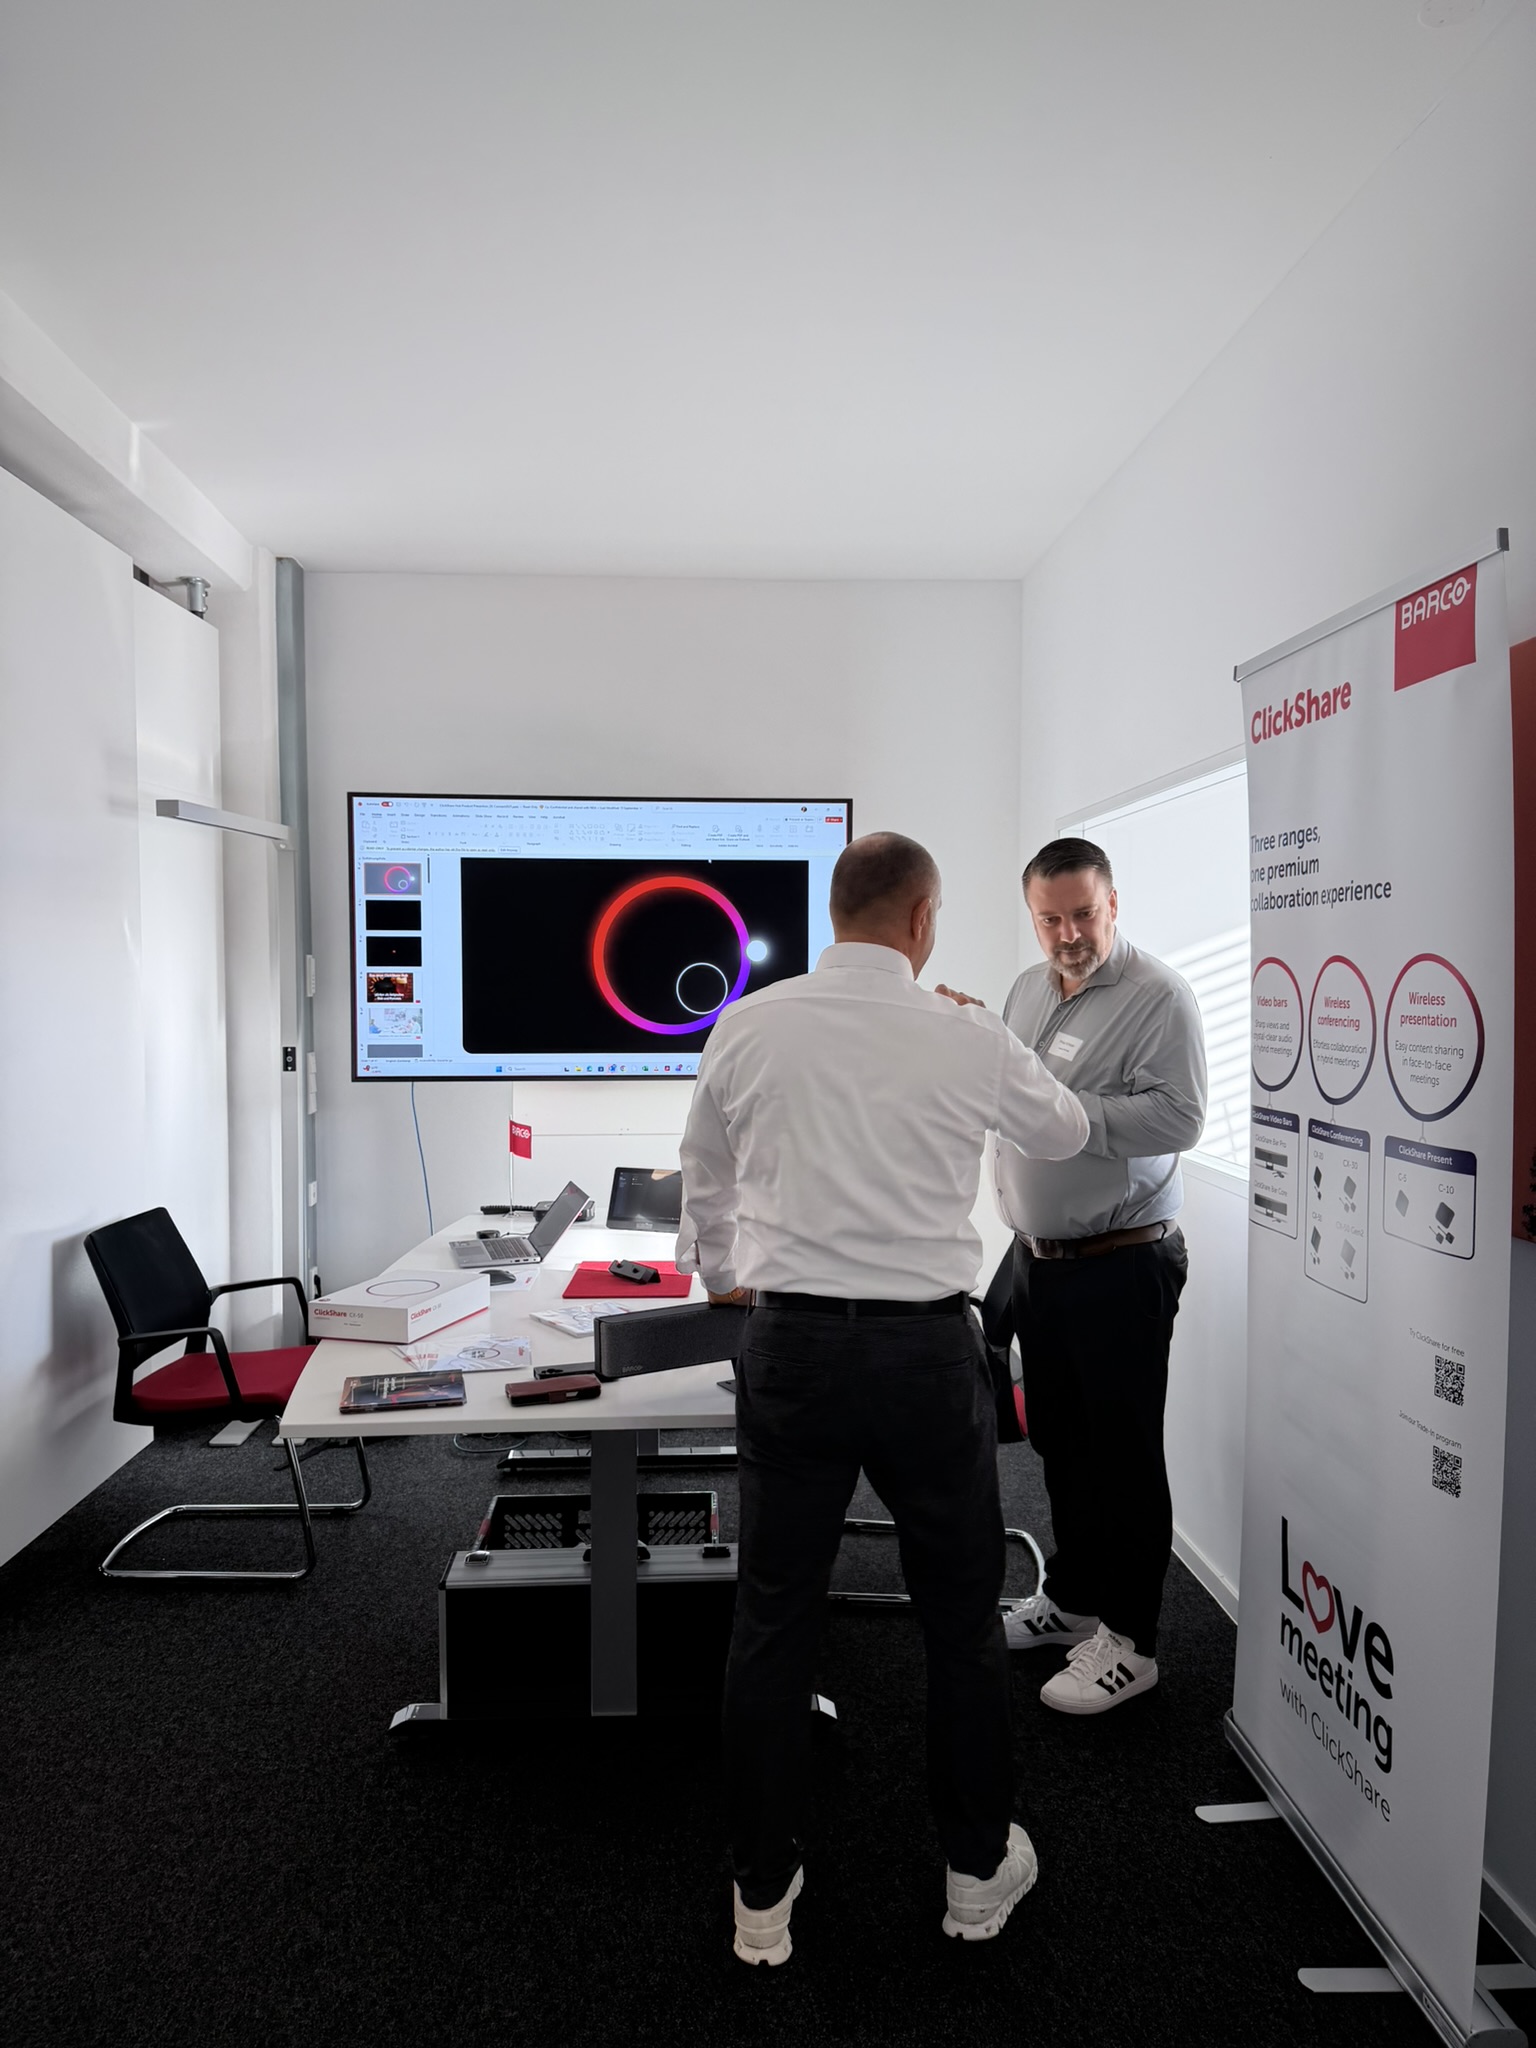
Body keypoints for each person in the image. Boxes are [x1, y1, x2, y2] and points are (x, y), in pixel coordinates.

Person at [676, 831, 1089, 1967]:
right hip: (924, 1356)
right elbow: (1065, 1129)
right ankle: (974, 1876)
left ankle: (762, 1897)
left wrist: (724, 1271)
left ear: (835, 913)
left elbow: (705, 1173)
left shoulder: (747, 1022)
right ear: (922, 920)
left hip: (792, 1346)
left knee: (773, 1618)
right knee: (958, 1618)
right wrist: (989, 1031)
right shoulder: (962, 1030)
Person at [988, 838, 1206, 1715]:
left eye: (1084, 914)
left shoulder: (1159, 996)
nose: (1069, 935)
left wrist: (1066, 1115)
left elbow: (1181, 1116)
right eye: (1051, 920)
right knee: (1060, 1444)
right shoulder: (1027, 988)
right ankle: (1075, 1603)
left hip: (1122, 1262)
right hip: (1041, 1261)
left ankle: (1133, 1641)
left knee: (1123, 1457)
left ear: (1113, 903)